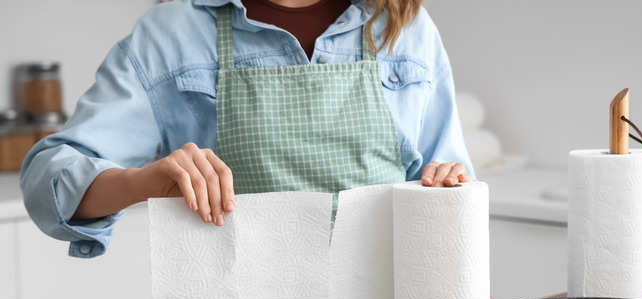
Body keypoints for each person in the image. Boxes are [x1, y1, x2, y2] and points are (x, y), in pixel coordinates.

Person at [20, 0, 474, 259]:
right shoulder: (173, 31)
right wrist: (141, 181)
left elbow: (454, 195)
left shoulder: (404, 22)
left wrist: (450, 187)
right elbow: (47, 179)